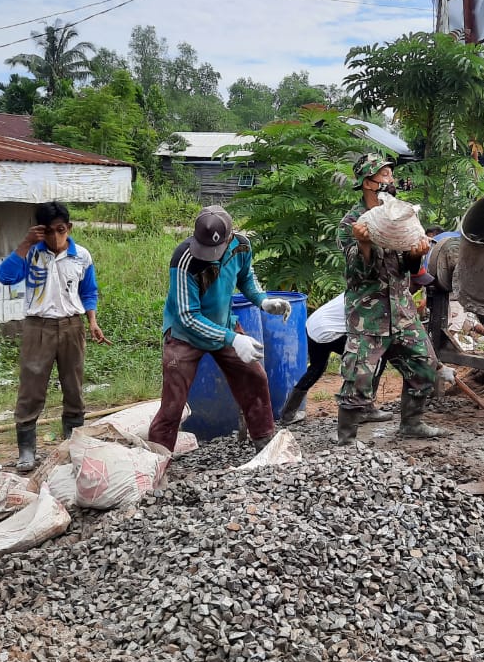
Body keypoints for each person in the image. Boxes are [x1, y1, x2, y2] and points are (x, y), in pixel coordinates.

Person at [148, 205, 289, 453]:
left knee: (255, 378)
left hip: (224, 323)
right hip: (185, 335)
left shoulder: (241, 245)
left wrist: (263, 300)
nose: (210, 255)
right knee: (173, 404)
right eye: (206, 250)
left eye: (216, 250)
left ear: (230, 237)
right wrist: (233, 339)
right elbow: (188, 316)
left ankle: (265, 445)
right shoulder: (184, 260)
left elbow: (246, 277)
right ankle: (155, 463)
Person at [336, 154, 444, 445]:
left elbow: (406, 268)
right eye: (382, 175)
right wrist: (363, 242)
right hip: (368, 313)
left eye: (389, 174)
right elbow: (357, 272)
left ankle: (412, 422)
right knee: (359, 375)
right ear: (366, 183)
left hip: (402, 309)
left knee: (424, 363)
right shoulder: (352, 222)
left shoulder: (400, 214)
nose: (389, 180)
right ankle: (346, 440)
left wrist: (415, 254)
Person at [0, 201, 108, 472]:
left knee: (74, 385)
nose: (56, 237)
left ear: (68, 228)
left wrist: (92, 321)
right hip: (38, 326)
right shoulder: (30, 254)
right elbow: (5, 277)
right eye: (48, 231)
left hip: (73, 326)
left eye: (61, 230)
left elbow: (89, 291)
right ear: (39, 231)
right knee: (31, 388)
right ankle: (26, 450)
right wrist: (25, 244)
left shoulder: (81, 255)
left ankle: (73, 443)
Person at [279, 292, 396, 426]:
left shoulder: (360, 287)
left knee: (317, 367)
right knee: (375, 356)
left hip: (313, 325)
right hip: (330, 330)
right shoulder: (377, 297)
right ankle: (366, 408)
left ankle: (288, 414)